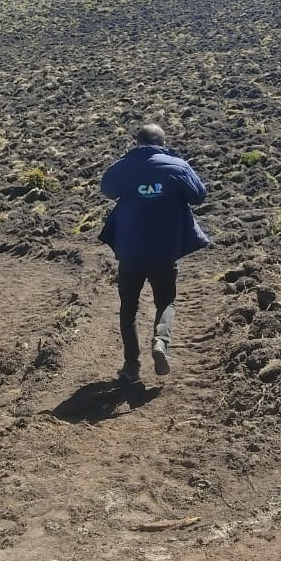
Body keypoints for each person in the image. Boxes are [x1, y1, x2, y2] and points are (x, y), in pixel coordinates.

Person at [99, 123, 210, 382]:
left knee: (128, 308)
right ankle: (160, 341)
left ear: (137, 142)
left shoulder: (123, 167)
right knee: (166, 301)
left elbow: (107, 190)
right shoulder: (178, 166)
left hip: (130, 250)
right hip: (164, 249)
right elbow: (198, 196)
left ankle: (131, 366)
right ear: (163, 142)